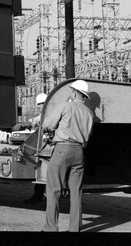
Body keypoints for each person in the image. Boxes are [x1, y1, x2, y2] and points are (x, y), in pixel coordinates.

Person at [41, 79, 94, 232]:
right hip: (79, 152)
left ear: (75, 92)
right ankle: (74, 228)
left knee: (54, 190)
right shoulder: (89, 113)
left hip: (62, 149)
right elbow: (88, 136)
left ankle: (51, 228)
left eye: (72, 90)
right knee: (76, 192)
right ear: (84, 96)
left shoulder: (65, 106)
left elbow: (48, 125)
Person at [24, 92, 48, 204]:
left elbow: (38, 120)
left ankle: (44, 198)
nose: (41, 106)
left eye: (42, 104)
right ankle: (39, 196)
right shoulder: (47, 111)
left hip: (49, 149)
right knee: (41, 173)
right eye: (40, 104)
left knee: (45, 174)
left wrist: (25, 124)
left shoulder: (48, 112)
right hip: (45, 148)